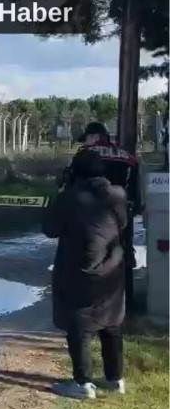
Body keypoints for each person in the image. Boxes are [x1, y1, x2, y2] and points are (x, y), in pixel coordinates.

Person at [44, 148, 129, 399]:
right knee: (111, 323)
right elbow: (122, 224)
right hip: (112, 269)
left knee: (79, 324)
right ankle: (115, 379)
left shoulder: (71, 197)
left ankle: (83, 384)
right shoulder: (118, 195)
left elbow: (50, 228)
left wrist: (60, 194)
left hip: (78, 270)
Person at [60, 122, 143, 313]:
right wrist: (133, 208)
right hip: (121, 214)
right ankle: (124, 303)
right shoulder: (127, 158)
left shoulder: (84, 156)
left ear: (96, 137)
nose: (86, 143)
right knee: (123, 255)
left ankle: (88, 304)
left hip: (88, 214)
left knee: (86, 257)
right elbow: (134, 190)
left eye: (87, 138)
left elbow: (67, 183)